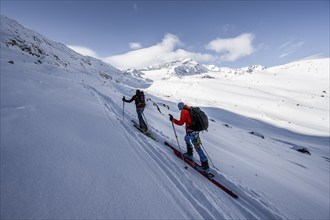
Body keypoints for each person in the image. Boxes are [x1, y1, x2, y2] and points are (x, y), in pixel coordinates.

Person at [169, 102, 209, 173]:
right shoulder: (190, 108)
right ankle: (192, 155)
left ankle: (204, 165)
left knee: (193, 143)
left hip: (192, 131)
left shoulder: (184, 111)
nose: (179, 110)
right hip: (196, 130)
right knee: (192, 142)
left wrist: (173, 120)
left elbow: (181, 123)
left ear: (180, 107)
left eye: (179, 108)